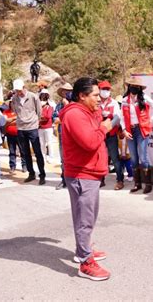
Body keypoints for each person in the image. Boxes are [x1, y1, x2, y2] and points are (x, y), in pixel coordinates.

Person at [59, 77, 112, 281]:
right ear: (82, 96)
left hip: (88, 172)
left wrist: (100, 118)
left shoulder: (85, 111)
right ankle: (85, 261)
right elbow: (90, 142)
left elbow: (97, 121)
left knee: (86, 216)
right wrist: (104, 128)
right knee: (84, 218)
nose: (100, 99)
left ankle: (84, 248)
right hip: (82, 174)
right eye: (96, 95)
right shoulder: (74, 115)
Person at [120, 77, 153, 194]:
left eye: (137, 87)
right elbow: (122, 116)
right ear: (129, 87)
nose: (134, 88)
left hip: (141, 129)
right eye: (132, 86)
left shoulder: (144, 98)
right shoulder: (124, 100)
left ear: (139, 88)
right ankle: (137, 184)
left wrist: (149, 121)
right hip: (129, 130)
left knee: (143, 156)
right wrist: (124, 130)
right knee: (133, 157)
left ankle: (148, 184)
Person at [11, 79, 46, 185]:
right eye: (16, 90)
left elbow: (39, 111)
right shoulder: (14, 98)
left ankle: (42, 175)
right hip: (21, 128)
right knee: (25, 153)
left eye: (19, 90)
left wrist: (35, 121)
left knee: (37, 152)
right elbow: (15, 111)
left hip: (32, 127)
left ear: (24, 87)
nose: (18, 92)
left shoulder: (33, 96)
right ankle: (31, 173)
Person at [98, 80, 124, 190]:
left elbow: (118, 118)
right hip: (99, 136)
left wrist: (109, 120)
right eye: (104, 89)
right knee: (100, 158)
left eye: (108, 89)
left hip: (111, 135)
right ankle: (101, 179)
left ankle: (120, 180)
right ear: (99, 90)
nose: (106, 91)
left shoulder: (114, 103)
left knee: (115, 158)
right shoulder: (95, 102)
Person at [53, 82, 73, 190]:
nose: (66, 93)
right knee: (63, 159)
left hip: (73, 135)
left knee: (73, 158)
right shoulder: (58, 105)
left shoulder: (75, 104)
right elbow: (55, 119)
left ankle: (73, 180)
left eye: (68, 91)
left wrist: (67, 107)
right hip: (62, 135)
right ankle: (64, 180)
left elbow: (74, 118)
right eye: (64, 91)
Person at [2, 96, 27, 174]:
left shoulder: (20, 111)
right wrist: (14, 119)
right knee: (12, 151)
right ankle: (12, 166)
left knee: (23, 151)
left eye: (14, 102)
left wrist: (10, 121)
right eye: (11, 103)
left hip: (20, 133)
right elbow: (4, 122)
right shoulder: (6, 112)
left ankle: (24, 165)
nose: (13, 104)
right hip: (10, 134)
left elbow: (22, 121)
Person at [38, 91, 54, 164]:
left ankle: (50, 157)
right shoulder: (39, 108)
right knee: (42, 143)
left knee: (49, 142)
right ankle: (43, 157)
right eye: (40, 100)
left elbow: (48, 116)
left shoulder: (49, 107)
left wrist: (40, 118)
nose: (42, 101)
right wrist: (42, 118)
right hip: (40, 128)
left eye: (43, 100)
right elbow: (36, 116)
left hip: (48, 127)